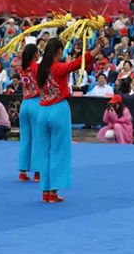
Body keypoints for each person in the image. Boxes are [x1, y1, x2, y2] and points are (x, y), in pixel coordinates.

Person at [35, 38, 101, 203]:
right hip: (58, 110)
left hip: (42, 111)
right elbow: (79, 63)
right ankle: (53, 192)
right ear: (58, 51)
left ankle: (45, 191)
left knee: (45, 151)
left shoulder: (40, 69)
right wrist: (98, 48)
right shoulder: (58, 68)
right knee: (59, 151)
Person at [16, 44, 41, 181]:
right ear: (35, 54)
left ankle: (22, 171)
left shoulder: (22, 68)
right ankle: (38, 172)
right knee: (38, 138)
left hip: (25, 103)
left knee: (25, 139)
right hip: (36, 102)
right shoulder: (37, 68)